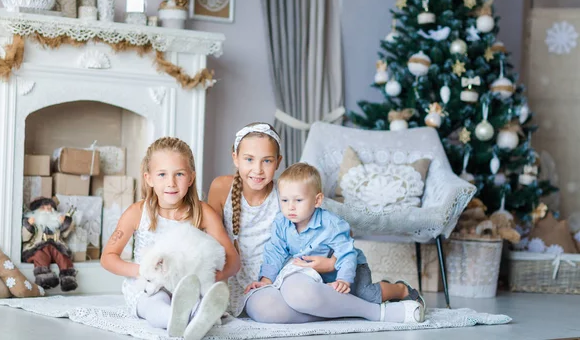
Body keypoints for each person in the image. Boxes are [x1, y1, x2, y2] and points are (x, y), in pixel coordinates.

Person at [208, 123, 423, 324]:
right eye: (249, 159)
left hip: (294, 272)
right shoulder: (221, 187)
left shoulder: (287, 194)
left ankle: (377, 313)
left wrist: (331, 264)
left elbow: (329, 233)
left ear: (278, 161)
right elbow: (213, 243)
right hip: (255, 282)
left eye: (267, 160)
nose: (257, 169)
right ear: (235, 158)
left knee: (300, 294)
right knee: (266, 311)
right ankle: (340, 308)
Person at [245, 162, 425, 323]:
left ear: (317, 200)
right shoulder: (281, 223)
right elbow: (274, 252)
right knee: (315, 298)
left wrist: (343, 279)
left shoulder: (331, 223)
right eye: (284, 200)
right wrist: (266, 280)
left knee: (367, 294)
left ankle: (400, 289)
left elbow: (347, 253)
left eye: (298, 200)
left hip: (348, 268)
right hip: (315, 277)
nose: (290, 207)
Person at [101, 137, 240, 340]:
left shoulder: (203, 212)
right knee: (154, 305)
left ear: (191, 178)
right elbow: (108, 257)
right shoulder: (137, 212)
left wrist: (208, 279)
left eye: (179, 174)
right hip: (150, 286)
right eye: (162, 174)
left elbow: (234, 261)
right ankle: (178, 319)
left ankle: (198, 314)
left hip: (188, 286)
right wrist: (141, 271)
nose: (171, 183)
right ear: (149, 178)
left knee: (197, 300)